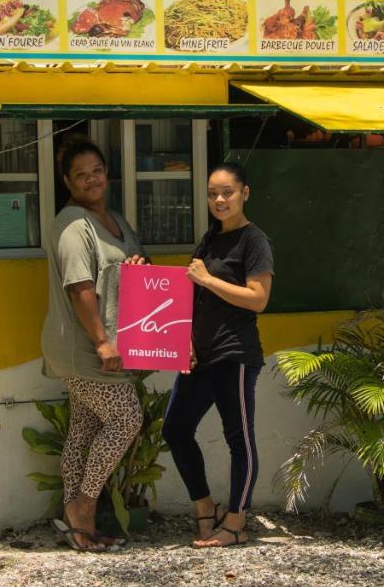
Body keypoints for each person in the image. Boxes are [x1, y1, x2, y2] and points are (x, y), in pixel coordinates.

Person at [40, 140, 146, 551]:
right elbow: (80, 287)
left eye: (97, 170)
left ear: (107, 172)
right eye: (81, 174)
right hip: (83, 347)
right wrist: (103, 343)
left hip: (103, 345)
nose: (92, 179)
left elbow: (131, 270)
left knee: (84, 428)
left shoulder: (115, 219)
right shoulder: (72, 224)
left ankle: (75, 520)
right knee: (125, 419)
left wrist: (137, 267)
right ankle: (83, 506)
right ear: (67, 181)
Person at [162, 162, 274, 548]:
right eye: (212, 194)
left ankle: (236, 523)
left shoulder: (254, 241)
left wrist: (209, 279)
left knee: (238, 439)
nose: (220, 200)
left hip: (236, 355)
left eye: (227, 192)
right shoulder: (210, 240)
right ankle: (205, 507)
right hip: (201, 357)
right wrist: (186, 341)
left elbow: (258, 299)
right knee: (174, 430)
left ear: (245, 193)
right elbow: (194, 298)